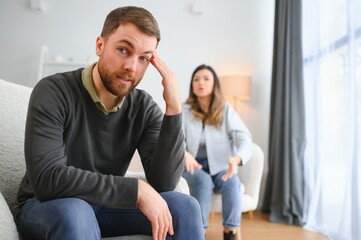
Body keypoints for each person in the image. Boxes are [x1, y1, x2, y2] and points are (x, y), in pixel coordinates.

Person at [15, 6, 204, 240]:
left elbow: (164, 182)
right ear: (100, 45)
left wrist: (174, 108)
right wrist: (135, 190)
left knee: (185, 207)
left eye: (143, 58)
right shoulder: (53, 91)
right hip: (47, 206)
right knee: (76, 212)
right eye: (124, 50)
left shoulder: (143, 107)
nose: (132, 67)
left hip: (105, 207)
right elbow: (47, 179)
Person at [182, 64, 253, 240]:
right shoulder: (184, 110)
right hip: (193, 165)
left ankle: (230, 233)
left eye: (206, 79)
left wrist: (236, 159)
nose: (201, 83)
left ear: (214, 84)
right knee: (203, 181)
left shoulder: (226, 110)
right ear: (192, 85)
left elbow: (245, 139)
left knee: (231, 182)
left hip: (221, 165)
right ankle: (199, 233)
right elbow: (175, 139)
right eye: (196, 79)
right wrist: (185, 154)